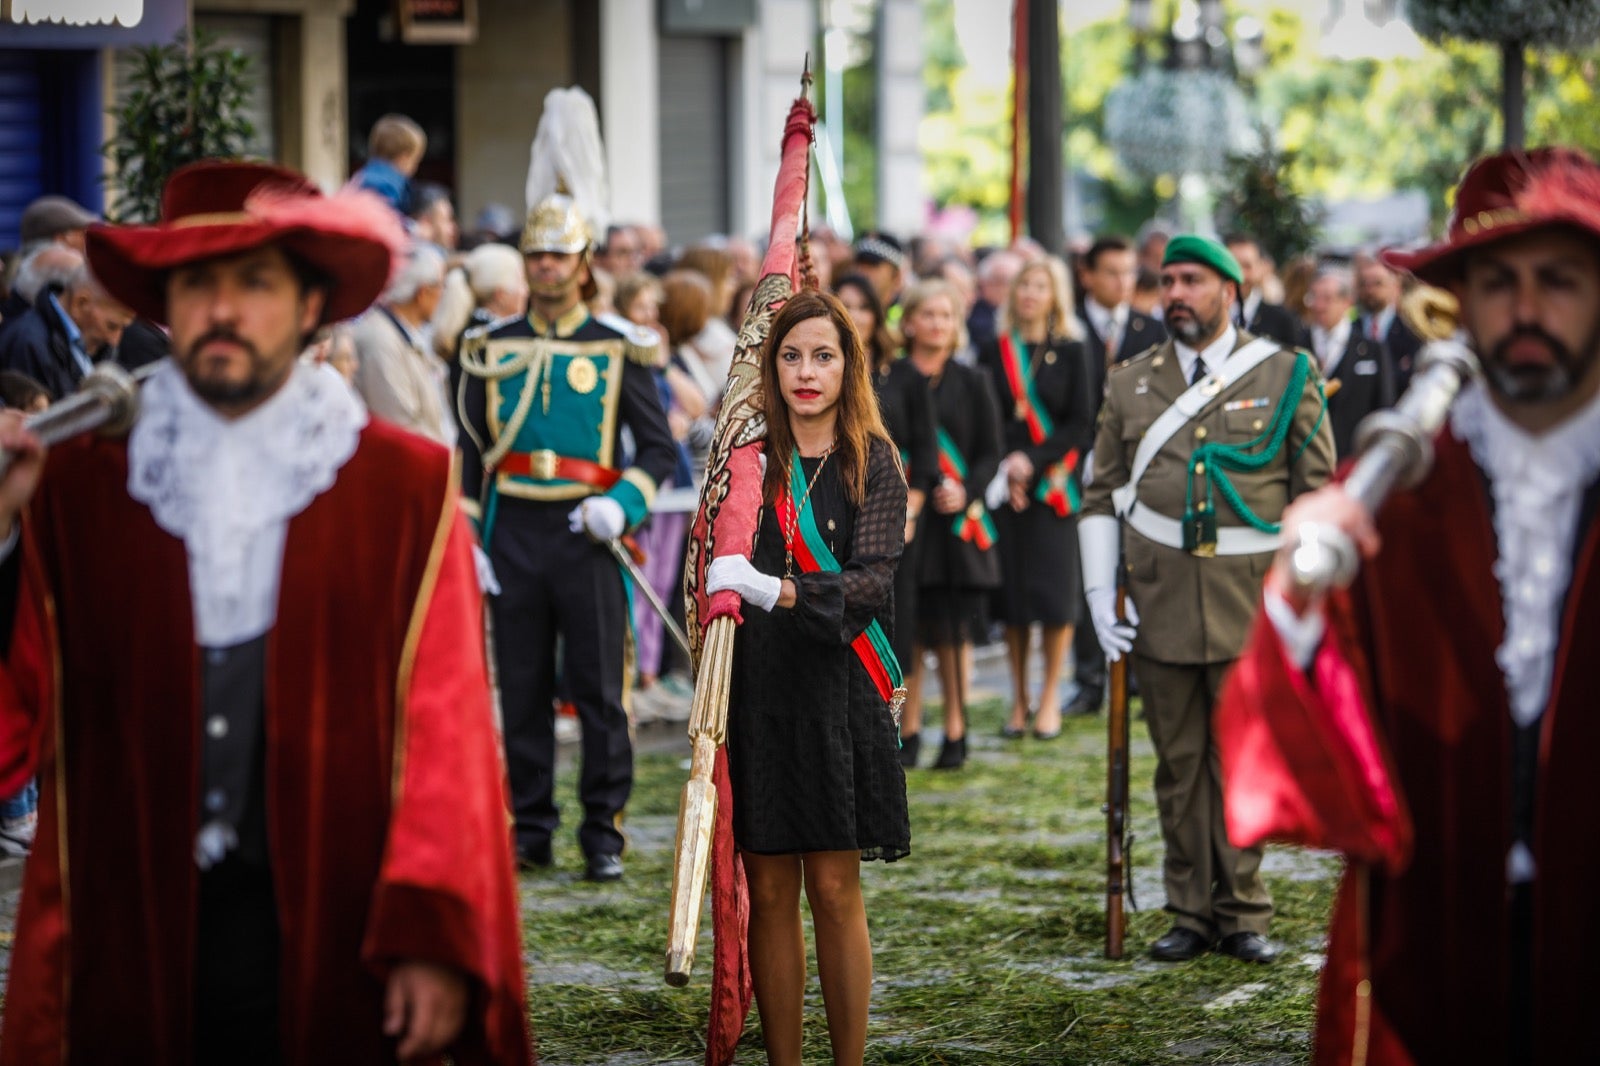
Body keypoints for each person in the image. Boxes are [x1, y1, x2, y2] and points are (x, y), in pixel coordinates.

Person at [0, 160, 529, 1063]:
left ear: (312, 304)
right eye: (199, 282)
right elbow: (17, 715)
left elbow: (446, 731)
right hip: (131, 937)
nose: (225, 310)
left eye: (256, 282)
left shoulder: (398, 484)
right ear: (166, 300)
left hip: (338, 927)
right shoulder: (81, 484)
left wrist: (432, 932)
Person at [1217, 146, 1600, 1065]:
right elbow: (1298, 742)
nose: (1528, 309)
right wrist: (1302, 601)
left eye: (1560, 280)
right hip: (1430, 941)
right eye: (1498, 281)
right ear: (1460, 301)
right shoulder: (1389, 496)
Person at [1079, 234, 1334, 965]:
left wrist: (1307, 604)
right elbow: (1099, 497)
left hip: (1251, 603)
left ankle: (1243, 910)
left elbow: (1317, 496)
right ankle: (1189, 909)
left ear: (1230, 288)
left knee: (1242, 761)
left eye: (1191, 280)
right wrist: (1101, 596)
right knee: (1179, 763)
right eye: (1166, 282)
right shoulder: (1129, 382)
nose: (1175, 294)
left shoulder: (1286, 373)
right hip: (1156, 603)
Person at [704, 288, 910, 1066]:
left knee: (833, 887)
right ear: (772, 366)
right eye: (790, 356)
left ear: (847, 365)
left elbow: (870, 585)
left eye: (822, 355)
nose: (805, 371)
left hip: (840, 694)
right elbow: (709, 563)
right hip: (761, 692)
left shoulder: (874, 461)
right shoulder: (747, 464)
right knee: (771, 894)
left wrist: (780, 589)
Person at [456, 191, 676, 882]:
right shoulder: (485, 346)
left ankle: (602, 833)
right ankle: (530, 828)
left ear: (583, 264)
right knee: (519, 686)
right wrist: (469, 535)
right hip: (514, 526)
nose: (546, 266)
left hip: (589, 529)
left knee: (600, 687)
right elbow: (468, 452)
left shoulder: (618, 346)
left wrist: (622, 505)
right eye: (537, 255)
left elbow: (658, 451)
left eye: (559, 255)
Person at [978, 257, 1097, 741]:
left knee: (1053, 597)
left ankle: (1049, 696)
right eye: (1023, 284)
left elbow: (1081, 421)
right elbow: (986, 417)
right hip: (1009, 488)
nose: (1029, 293)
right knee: (1014, 600)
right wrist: (1009, 464)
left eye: (1039, 285)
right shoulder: (993, 348)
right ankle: (1020, 697)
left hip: (1055, 489)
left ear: (1055, 294)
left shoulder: (1072, 349)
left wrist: (1035, 462)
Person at [899, 279, 1003, 770]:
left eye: (946, 315)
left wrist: (966, 491)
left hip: (957, 524)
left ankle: (957, 731)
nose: (937, 323)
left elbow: (989, 452)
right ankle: (910, 728)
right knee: (912, 629)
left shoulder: (972, 380)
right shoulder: (892, 378)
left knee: (954, 630)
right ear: (910, 321)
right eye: (928, 314)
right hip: (908, 520)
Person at [837, 272, 937, 766]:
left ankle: (904, 726)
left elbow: (927, 452)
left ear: (878, 314)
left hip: (898, 516)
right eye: (845, 304)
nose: (854, 314)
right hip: (840, 514)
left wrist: (910, 511)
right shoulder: (830, 372)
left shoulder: (904, 377)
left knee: (900, 624)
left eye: (862, 305)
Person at [350, 241, 457, 445]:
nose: (443, 293)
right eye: (441, 286)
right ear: (423, 293)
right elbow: (398, 423)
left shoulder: (410, 332)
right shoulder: (379, 339)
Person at [0, 259, 134, 399]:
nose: (115, 340)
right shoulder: (28, 343)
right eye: (111, 326)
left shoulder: (86, 343)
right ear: (80, 303)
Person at [1303, 263, 1397, 457]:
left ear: (1347, 302)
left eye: (1327, 298)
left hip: (1353, 458)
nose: (1319, 306)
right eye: (1314, 297)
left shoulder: (1371, 350)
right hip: (1306, 457)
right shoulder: (1297, 344)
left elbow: (1383, 406)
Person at [1353, 249, 1423, 389]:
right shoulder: (1351, 329)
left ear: (1394, 287)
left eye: (1377, 284)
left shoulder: (1411, 329)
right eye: (1364, 284)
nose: (1370, 290)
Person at [1225, 233, 1303, 348]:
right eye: (1233, 265)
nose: (1240, 274)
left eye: (1247, 266)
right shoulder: (1208, 316)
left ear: (1261, 268)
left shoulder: (1283, 320)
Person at [352, 113, 427, 216]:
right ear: (404, 159)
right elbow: (389, 222)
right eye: (416, 161)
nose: (416, 167)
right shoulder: (390, 185)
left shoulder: (360, 176)